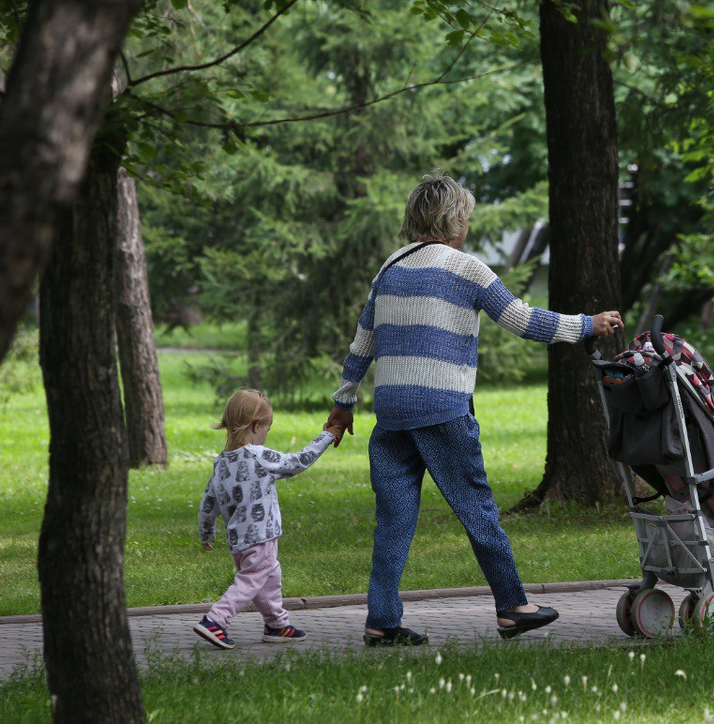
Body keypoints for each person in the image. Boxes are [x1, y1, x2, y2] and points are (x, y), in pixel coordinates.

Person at [325, 170, 622, 646]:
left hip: (392, 416)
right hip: (443, 410)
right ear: (456, 221)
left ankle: (381, 620)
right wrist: (587, 324)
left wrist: (343, 404)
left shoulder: (389, 269)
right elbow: (523, 320)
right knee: (479, 512)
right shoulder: (467, 269)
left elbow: (363, 344)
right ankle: (512, 607)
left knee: (394, 522)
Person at [193, 388, 342, 649]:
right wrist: (327, 436)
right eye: (267, 430)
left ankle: (277, 624)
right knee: (251, 580)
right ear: (255, 425)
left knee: (269, 576)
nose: (266, 435)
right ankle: (215, 620)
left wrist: (207, 532)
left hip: (238, 540)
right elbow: (299, 461)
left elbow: (208, 501)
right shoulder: (258, 456)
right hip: (261, 537)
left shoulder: (221, 463)